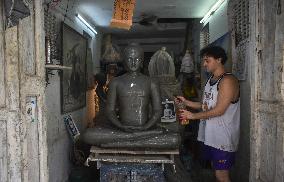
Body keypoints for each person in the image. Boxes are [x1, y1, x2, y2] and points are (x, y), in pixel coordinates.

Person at [82, 43, 180, 149]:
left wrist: (146, 127)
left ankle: (124, 142)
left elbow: (157, 111)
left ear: (142, 61)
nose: (133, 63)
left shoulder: (151, 82)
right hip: (121, 129)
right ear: (124, 61)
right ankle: (136, 139)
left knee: (175, 139)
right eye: (129, 59)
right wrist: (120, 126)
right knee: (87, 135)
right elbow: (110, 111)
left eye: (137, 59)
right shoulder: (116, 82)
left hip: (146, 129)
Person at [175, 46, 240, 182]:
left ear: (219, 59)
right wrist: (186, 102)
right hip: (211, 136)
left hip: (223, 138)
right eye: (204, 61)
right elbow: (205, 105)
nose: (204, 64)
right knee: (215, 170)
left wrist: (192, 116)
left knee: (222, 175)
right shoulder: (210, 81)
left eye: (207, 60)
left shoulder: (227, 81)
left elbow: (219, 110)